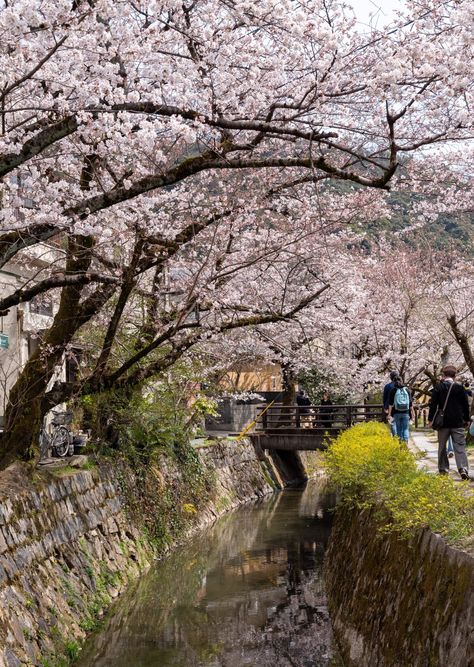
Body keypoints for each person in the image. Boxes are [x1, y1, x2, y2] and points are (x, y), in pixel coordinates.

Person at [429, 366, 470, 480]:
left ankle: (443, 470)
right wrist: (466, 419)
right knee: (460, 446)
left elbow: (433, 405)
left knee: (442, 447)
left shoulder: (438, 387)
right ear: (454, 376)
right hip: (457, 422)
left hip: (443, 423)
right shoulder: (460, 388)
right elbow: (465, 405)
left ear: (444, 375)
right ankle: (463, 468)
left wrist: (430, 419)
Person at [388, 374, 414, 443]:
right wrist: (413, 414)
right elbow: (411, 403)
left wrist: (389, 414)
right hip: (406, 412)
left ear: (393, 382)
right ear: (401, 381)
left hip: (396, 412)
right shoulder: (407, 390)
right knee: (405, 429)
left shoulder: (393, 391)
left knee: (398, 429)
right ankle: (405, 443)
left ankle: (400, 444)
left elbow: (390, 404)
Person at [383, 370, 398, 436]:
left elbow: (385, 398)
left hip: (390, 407)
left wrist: (385, 407)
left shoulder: (387, 386)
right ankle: (401, 437)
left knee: (393, 422)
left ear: (390, 377)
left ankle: (395, 437)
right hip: (400, 406)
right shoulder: (401, 386)